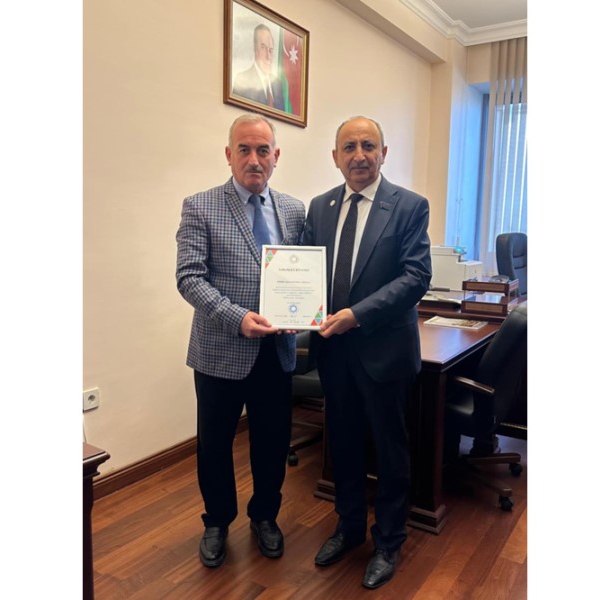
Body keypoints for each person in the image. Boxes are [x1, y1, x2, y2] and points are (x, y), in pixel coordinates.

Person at [302, 116, 432, 589]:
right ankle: (349, 527)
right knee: (343, 444)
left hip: (385, 352)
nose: (359, 155)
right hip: (334, 353)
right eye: (350, 147)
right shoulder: (320, 207)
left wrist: (356, 314)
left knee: (390, 450)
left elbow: (416, 277)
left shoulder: (409, 206)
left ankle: (389, 541)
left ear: (383, 153)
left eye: (368, 145)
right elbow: (305, 272)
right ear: (335, 156)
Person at [176, 113, 306, 568]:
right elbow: (189, 278)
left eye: (263, 150)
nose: (254, 159)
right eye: (245, 150)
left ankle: (265, 516)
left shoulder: (293, 210)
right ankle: (216, 521)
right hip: (220, 350)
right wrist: (238, 318)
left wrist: (301, 313)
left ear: (276, 156)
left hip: (276, 352)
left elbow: (301, 275)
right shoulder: (200, 206)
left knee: (272, 440)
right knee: (215, 444)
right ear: (229, 154)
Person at [231, 24, 284, 110]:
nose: (268, 56)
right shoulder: (241, 79)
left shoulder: (278, 84)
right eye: (263, 48)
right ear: (255, 48)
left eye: (270, 50)